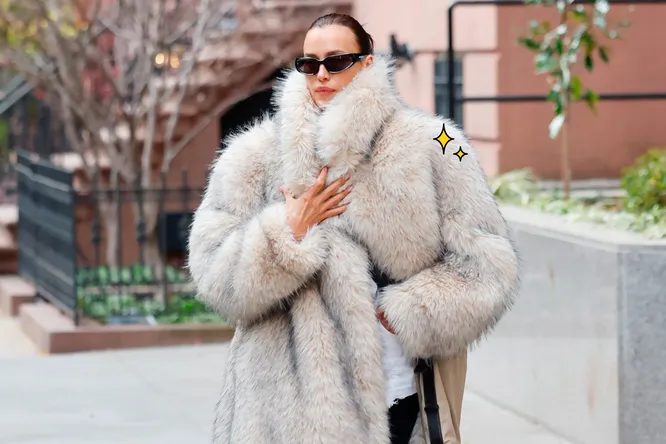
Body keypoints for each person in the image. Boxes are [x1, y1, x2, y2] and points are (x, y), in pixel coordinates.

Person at [187, 12, 519, 444]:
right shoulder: (252, 156)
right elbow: (213, 274)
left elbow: (488, 263)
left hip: (397, 391)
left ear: (367, 62)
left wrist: (415, 309)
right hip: (281, 412)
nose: (321, 74)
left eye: (337, 60)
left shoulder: (440, 141)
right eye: (309, 64)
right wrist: (285, 233)